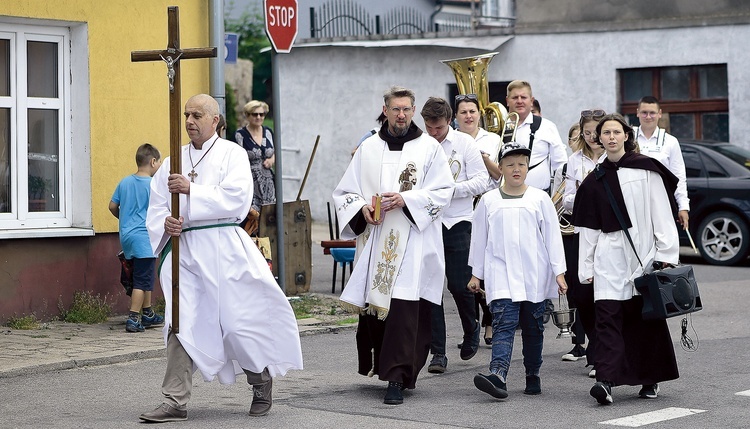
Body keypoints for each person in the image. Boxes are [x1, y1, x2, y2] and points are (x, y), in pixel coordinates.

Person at [140, 94, 303, 422]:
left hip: (224, 247)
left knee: (237, 322)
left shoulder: (233, 154)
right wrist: (165, 222)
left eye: (197, 114)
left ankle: (260, 381)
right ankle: (175, 400)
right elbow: (156, 207)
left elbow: (238, 199)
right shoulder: (173, 161)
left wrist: (191, 191)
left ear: (215, 120)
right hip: (184, 252)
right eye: (186, 114)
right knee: (180, 322)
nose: (189, 121)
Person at [333, 86, 454, 406]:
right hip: (376, 242)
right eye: (395, 109)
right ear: (385, 110)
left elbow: (443, 191)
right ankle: (382, 366)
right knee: (378, 310)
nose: (401, 115)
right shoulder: (369, 147)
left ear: (413, 111)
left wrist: (407, 199)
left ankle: (398, 378)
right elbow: (345, 191)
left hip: (413, 242)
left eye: (406, 109)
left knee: (403, 311)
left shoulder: (429, 148)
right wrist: (360, 209)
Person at [572, 113, 680, 405]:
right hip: (609, 261)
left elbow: (662, 214)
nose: (610, 137)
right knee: (606, 320)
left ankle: (649, 379)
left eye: (615, 132)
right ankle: (606, 381)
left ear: (626, 136)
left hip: (643, 256)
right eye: (604, 133)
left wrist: (665, 254)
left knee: (643, 321)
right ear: (598, 139)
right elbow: (590, 228)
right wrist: (586, 267)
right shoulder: (595, 179)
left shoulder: (647, 170)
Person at [468, 141, 567, 400]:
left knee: (534, 327)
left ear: (527, 168)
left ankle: (532, 373)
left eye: (521, 164)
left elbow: (552, 237)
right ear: (500, 167)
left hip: (535, 274)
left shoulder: (539, 198)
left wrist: (559, 272)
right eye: (510, 164)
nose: (516, 169)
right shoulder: (488, 201)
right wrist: (476, 274)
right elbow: (479, 239)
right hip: (500, 272)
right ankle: (497, 375)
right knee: (503, 323)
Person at [420, 97, 489, 374]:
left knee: (460, 285)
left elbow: (482, 181)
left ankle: (471, 327)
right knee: (432, 289)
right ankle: (438, 352)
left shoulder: (464, 144)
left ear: (449, 121)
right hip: (428, 223)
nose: (433, 133)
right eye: (429, 128)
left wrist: (448, 190)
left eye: (438, 128)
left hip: (458, 220)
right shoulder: (421, 145)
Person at [559, 110, 606, 377]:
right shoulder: (574, 160)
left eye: (595, 133)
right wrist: (584, 194)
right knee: (580, 293)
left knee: (606, 293)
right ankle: (592, 346)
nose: (592, 138)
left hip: (608, 233)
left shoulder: (614, 158)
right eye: (587, 133)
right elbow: (566, 199)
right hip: (582, 231)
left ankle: (602, 353)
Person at [454, 93, 500, 345]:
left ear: (479, 114)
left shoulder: (492, 139)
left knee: (486, 269)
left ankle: (490, 322)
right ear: (456, 116)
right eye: (463, 112)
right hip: (460, 213)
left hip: (486, 209)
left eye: (472, 111)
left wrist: (482, 157)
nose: (468, 116)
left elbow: (500, 176)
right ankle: (469, 326)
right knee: (465, 272)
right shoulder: (450, 140)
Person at [109, 143, 165, 333]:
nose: (159, 167)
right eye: (159, 163)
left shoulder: (124, 182)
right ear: (152, 161)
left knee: (143, 275)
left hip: (127, 236)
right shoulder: (153, 185)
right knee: (142, 281)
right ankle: (134, 317)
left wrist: (123, 219)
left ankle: (148, 313)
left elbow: (112, 206)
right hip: (145, 238)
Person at [497, 80, 567, 193]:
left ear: (531, 101)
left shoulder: (547, 126)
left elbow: (560, 165)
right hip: (505, 197)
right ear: (507, 101)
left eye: (523, 97)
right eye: (515, 98)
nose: (519, 101)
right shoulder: (499, 128)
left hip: (540, 195)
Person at [634, 96, 690, 231]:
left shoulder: (670, 142)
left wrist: (683, 207)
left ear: (659, 114)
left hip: (661, 202)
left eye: (652, 113)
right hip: (633, 201)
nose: (648, 117)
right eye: (644, 112)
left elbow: (679, 176)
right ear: (637, 113)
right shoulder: (627, 137)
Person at [234, 100, 276, 235]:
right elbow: (237, 157)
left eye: (262, 114)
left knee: (270, 216)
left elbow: (275, 152)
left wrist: (271, 160)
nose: (258, 117)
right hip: (250, 181)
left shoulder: (268, 132)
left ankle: (269, 250)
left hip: (268, 182)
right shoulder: (240, 134)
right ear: (248, 115)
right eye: (254, 114)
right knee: (252, 216)